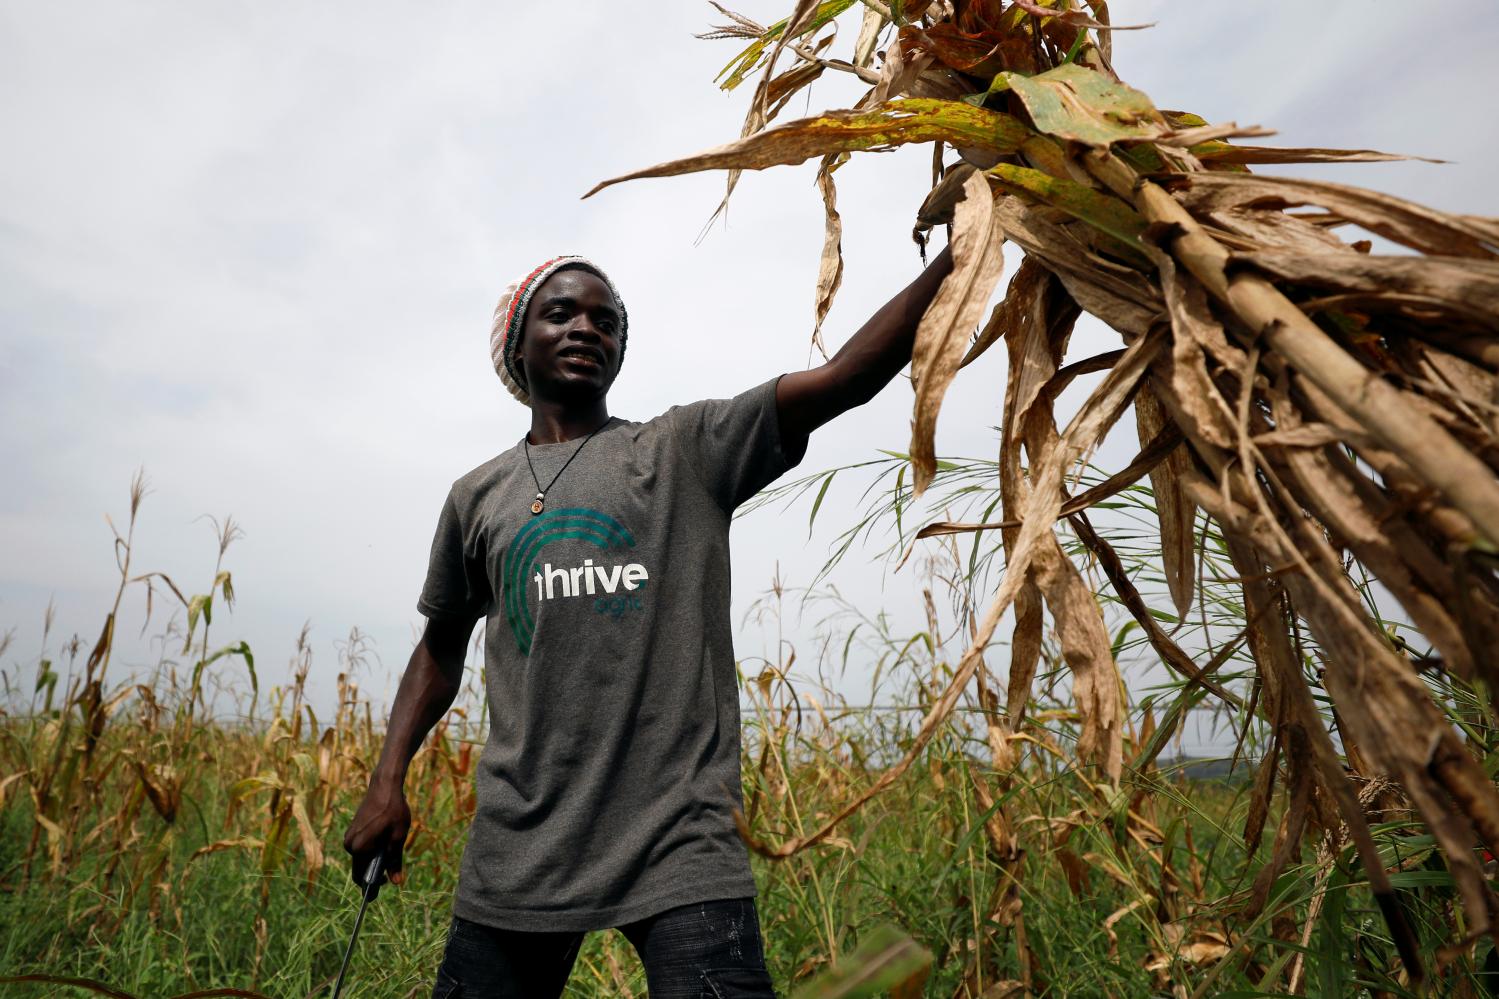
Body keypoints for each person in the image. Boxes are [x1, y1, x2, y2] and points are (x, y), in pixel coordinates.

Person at [343, 245, 954, 998]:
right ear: (516, 343)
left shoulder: (684, 450)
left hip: (679, 837)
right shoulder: (478, 496)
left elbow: (846, 379)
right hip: (523, 839)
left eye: (606, 320)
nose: (585, 328)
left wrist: (963, 252)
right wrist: (386, 781)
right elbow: (440, 647)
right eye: (560, 312)